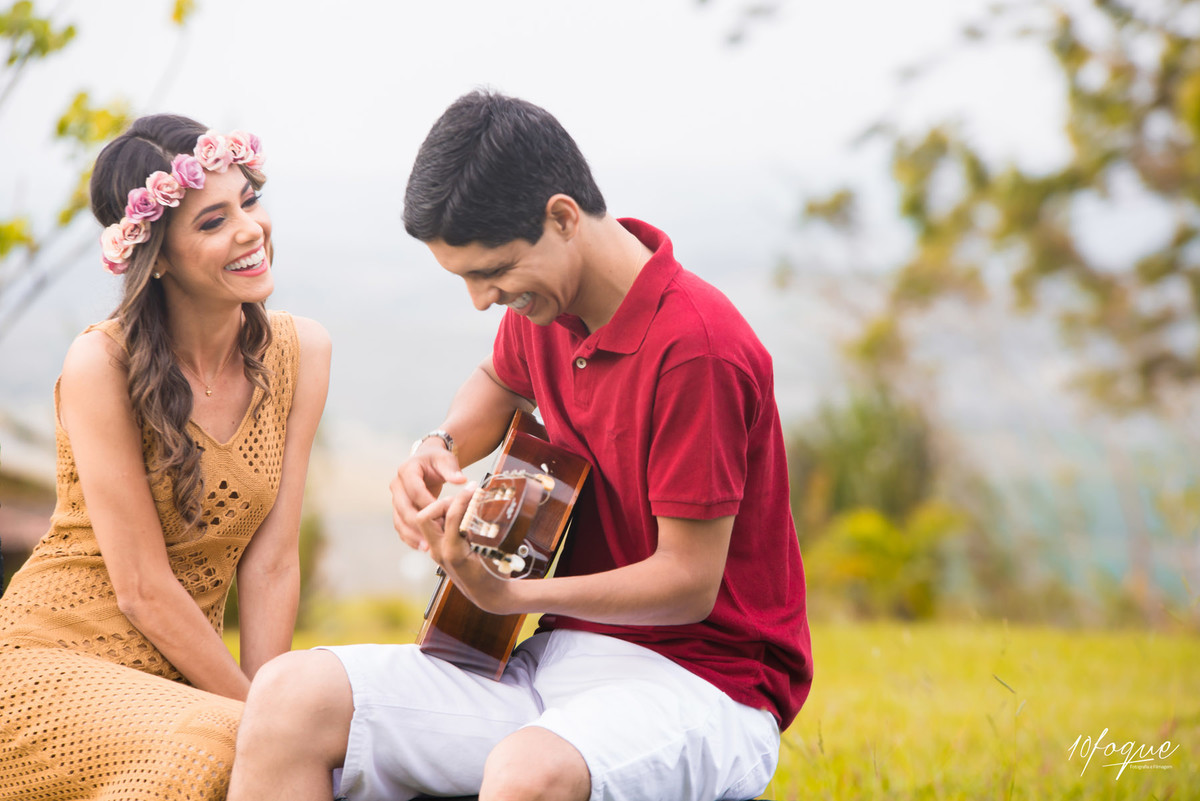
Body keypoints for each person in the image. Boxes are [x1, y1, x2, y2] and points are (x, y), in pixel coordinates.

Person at [228, 90, 811, 801]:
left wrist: (509, 593)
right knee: (289, 695)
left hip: (706, 684)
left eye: (490, 272)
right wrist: (437, 446)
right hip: (553, 661)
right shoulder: (550, 305)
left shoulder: (699, 348)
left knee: (526, 773)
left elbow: (688, 582)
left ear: (562, 217)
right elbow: (498, 378)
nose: (480, 300)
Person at [0, 114, 331, 800]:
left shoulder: (304, 352)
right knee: (217, 745)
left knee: (289, 741)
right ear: (159, 256)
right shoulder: (101, 363)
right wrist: (255, 720)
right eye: (212, 222)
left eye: (250, 199)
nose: (249, 229)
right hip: (45, 661)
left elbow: (271, 564)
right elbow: (142, 586)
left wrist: (272, 716)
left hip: (179, 683)